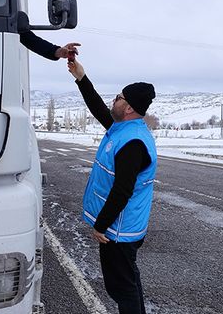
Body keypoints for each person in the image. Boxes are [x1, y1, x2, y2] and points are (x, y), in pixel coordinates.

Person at [67, 58, 157, 314]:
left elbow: (122, 190)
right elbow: (98, 109)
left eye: (118, 97)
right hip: (124, 226)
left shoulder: (132, 142)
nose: (114, 100)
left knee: (121, 287)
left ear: (128, 107)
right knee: (128, 279)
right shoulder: (124, 129)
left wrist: (101, 225)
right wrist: (81, 77)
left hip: (118, 229)